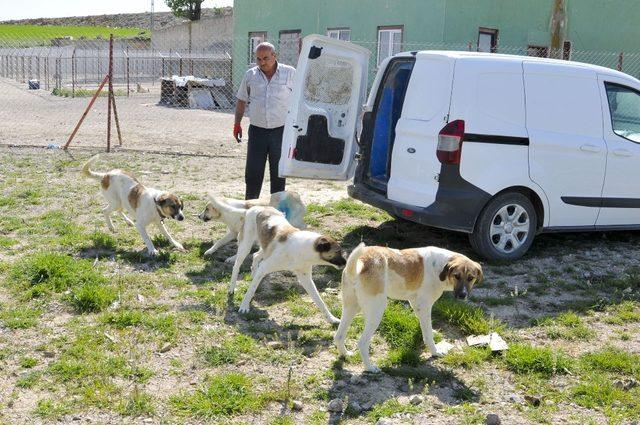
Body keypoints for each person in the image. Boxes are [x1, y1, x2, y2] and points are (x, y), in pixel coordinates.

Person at [234, 42, 296, 200]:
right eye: (259, 59)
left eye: (266, 58)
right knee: (253, 173)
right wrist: (237, 124)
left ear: (274, 56)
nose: (262, 62)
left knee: (278, 173)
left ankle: (277, 211)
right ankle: (250, 208)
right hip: (257, 131)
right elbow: (242, 100)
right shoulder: (250, 75)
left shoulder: (290, 73)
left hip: (281, 131)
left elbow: (300, 98)